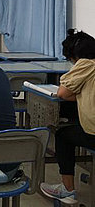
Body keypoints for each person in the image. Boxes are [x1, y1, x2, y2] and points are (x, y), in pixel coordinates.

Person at [40, 30, 95, 204]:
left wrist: (79, 95)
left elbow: (63, 93)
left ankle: (67, 189)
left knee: (63, 135)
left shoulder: (86, 64)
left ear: (74, 56)